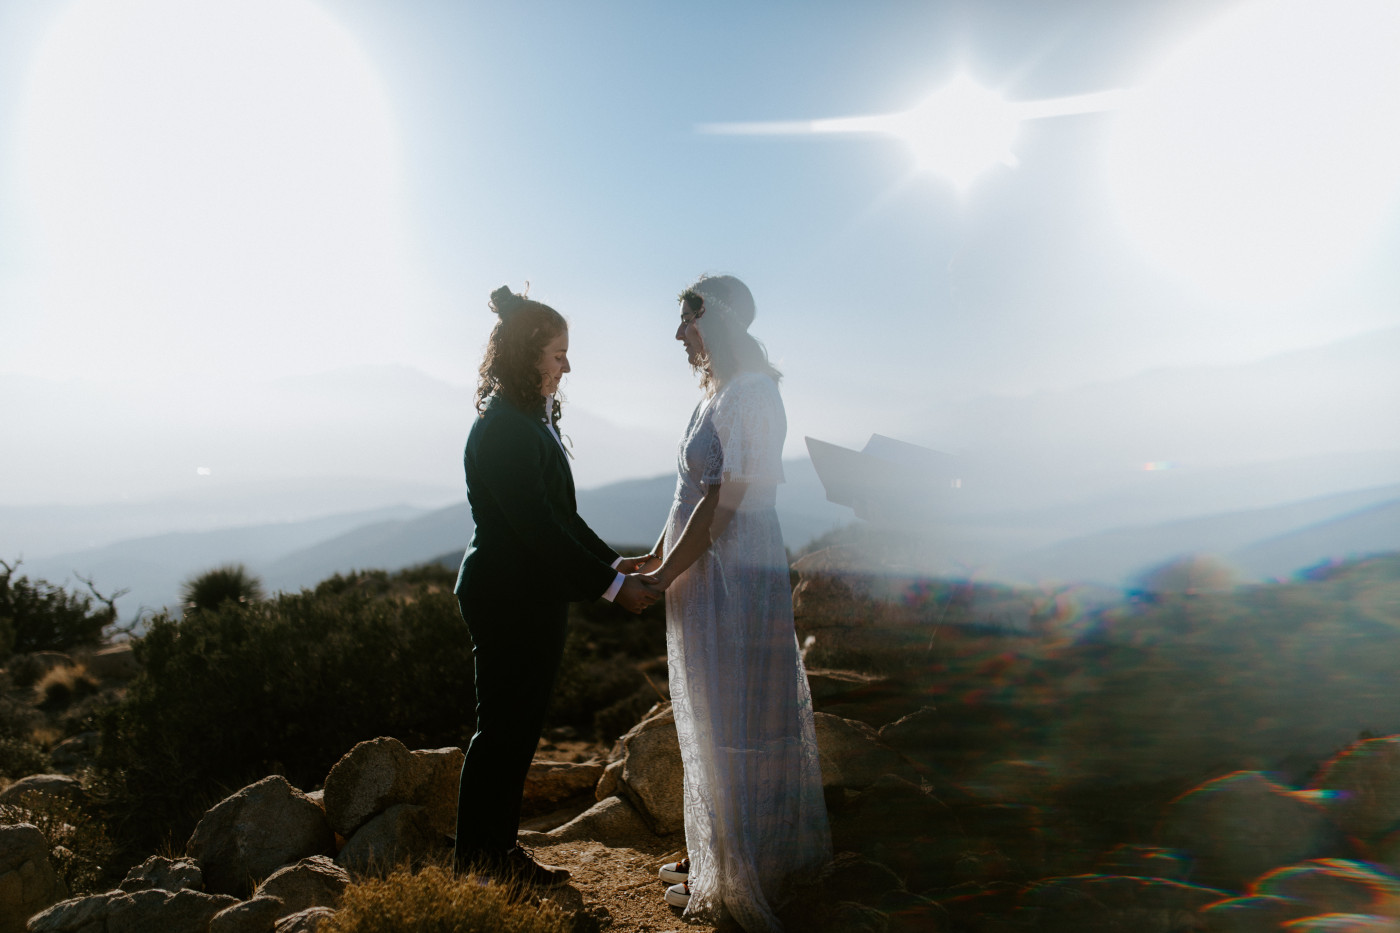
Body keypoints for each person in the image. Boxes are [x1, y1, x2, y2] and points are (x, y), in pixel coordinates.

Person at [634, 274, 831, 931]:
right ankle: (714, 853)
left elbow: (725, 501)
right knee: (716, 716)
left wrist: (666, 575)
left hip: (734, 577)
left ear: (713, 321)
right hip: (705, 571)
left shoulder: (751, 393)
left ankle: (746, 870)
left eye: (687, 321)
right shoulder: (715, 391)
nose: (679, 334)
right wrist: (653, 556)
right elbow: (685, 495)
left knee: (740, 719)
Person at [454, 285, 661, 885]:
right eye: (558, 353)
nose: (567, 365)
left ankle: (494, 854)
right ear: (526, 355)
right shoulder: (505, 431)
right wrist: (613, 589)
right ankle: (481, 862)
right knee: (503, 733)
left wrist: (613, 564)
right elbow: (538, 530)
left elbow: (563, 518)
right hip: (507, 597)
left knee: (517, 731)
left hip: (531, 595)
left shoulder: (525, 420)